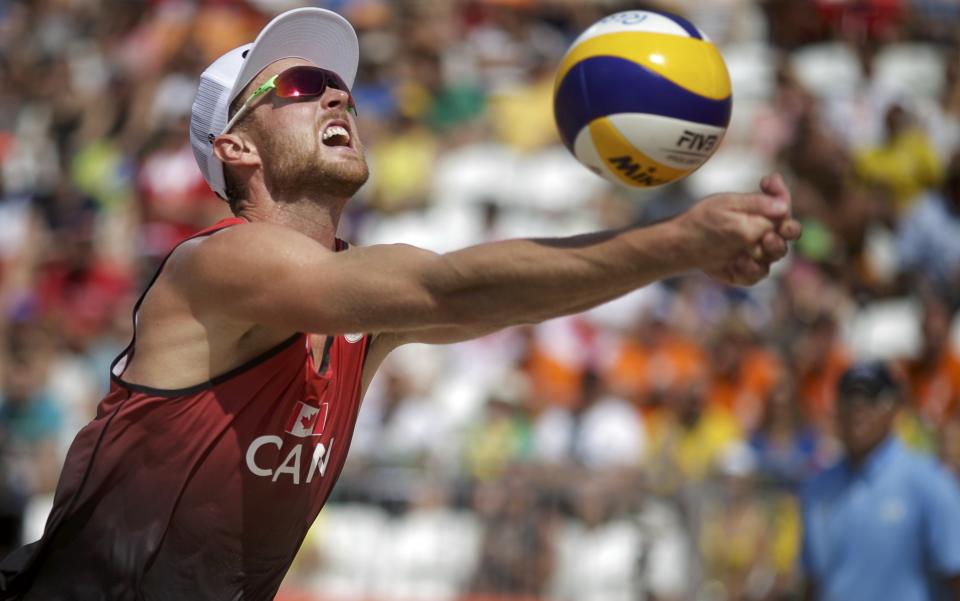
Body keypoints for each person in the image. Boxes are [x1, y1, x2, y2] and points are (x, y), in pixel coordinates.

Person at [0, 7, 800, 600]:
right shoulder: (218, 265)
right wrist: (680, 239)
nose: (337, 99)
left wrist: (683, 256)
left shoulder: (354, 313)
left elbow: (498, 300)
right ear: (235, 146)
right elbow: (446, 285)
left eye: (343, 88)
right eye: (303, 86)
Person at [801, 362, 960, 601]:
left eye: (870, 399)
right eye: (849, 399)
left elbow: (954, 573)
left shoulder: (930, 482)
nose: (858, 409)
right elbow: (813, 581)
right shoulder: (818, 487)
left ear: (893, 408)